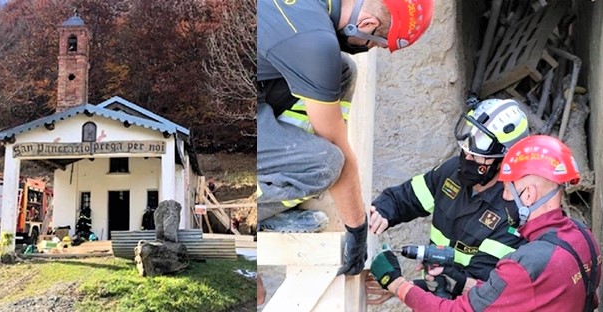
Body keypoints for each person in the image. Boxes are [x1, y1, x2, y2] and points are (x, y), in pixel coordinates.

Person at [257, 0, 433, 305]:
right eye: (374, 44)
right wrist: (357, 229)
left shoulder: (315, 12)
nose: (368, 48)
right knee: (326, 163)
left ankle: (278, 176)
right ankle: (258, 207)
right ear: (366, 26)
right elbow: (339, 151)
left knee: (342, 71)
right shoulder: (315, 43)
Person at [370, 135, 601, 311]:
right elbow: (510, 296)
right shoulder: (584, 238)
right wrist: (457, 281)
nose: (504, 197)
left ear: (528, 195)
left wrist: (395, 283)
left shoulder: (525, 263)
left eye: (509, 190)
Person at [365, 99, 531, 302]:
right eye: (466, 150)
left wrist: (399, 285)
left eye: (477, 156)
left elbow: (478, 290)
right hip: (439, 296)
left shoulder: (512, 211)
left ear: (504, 161)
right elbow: (405, 198)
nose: (466, 158)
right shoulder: (452, 172)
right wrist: (382, 211)